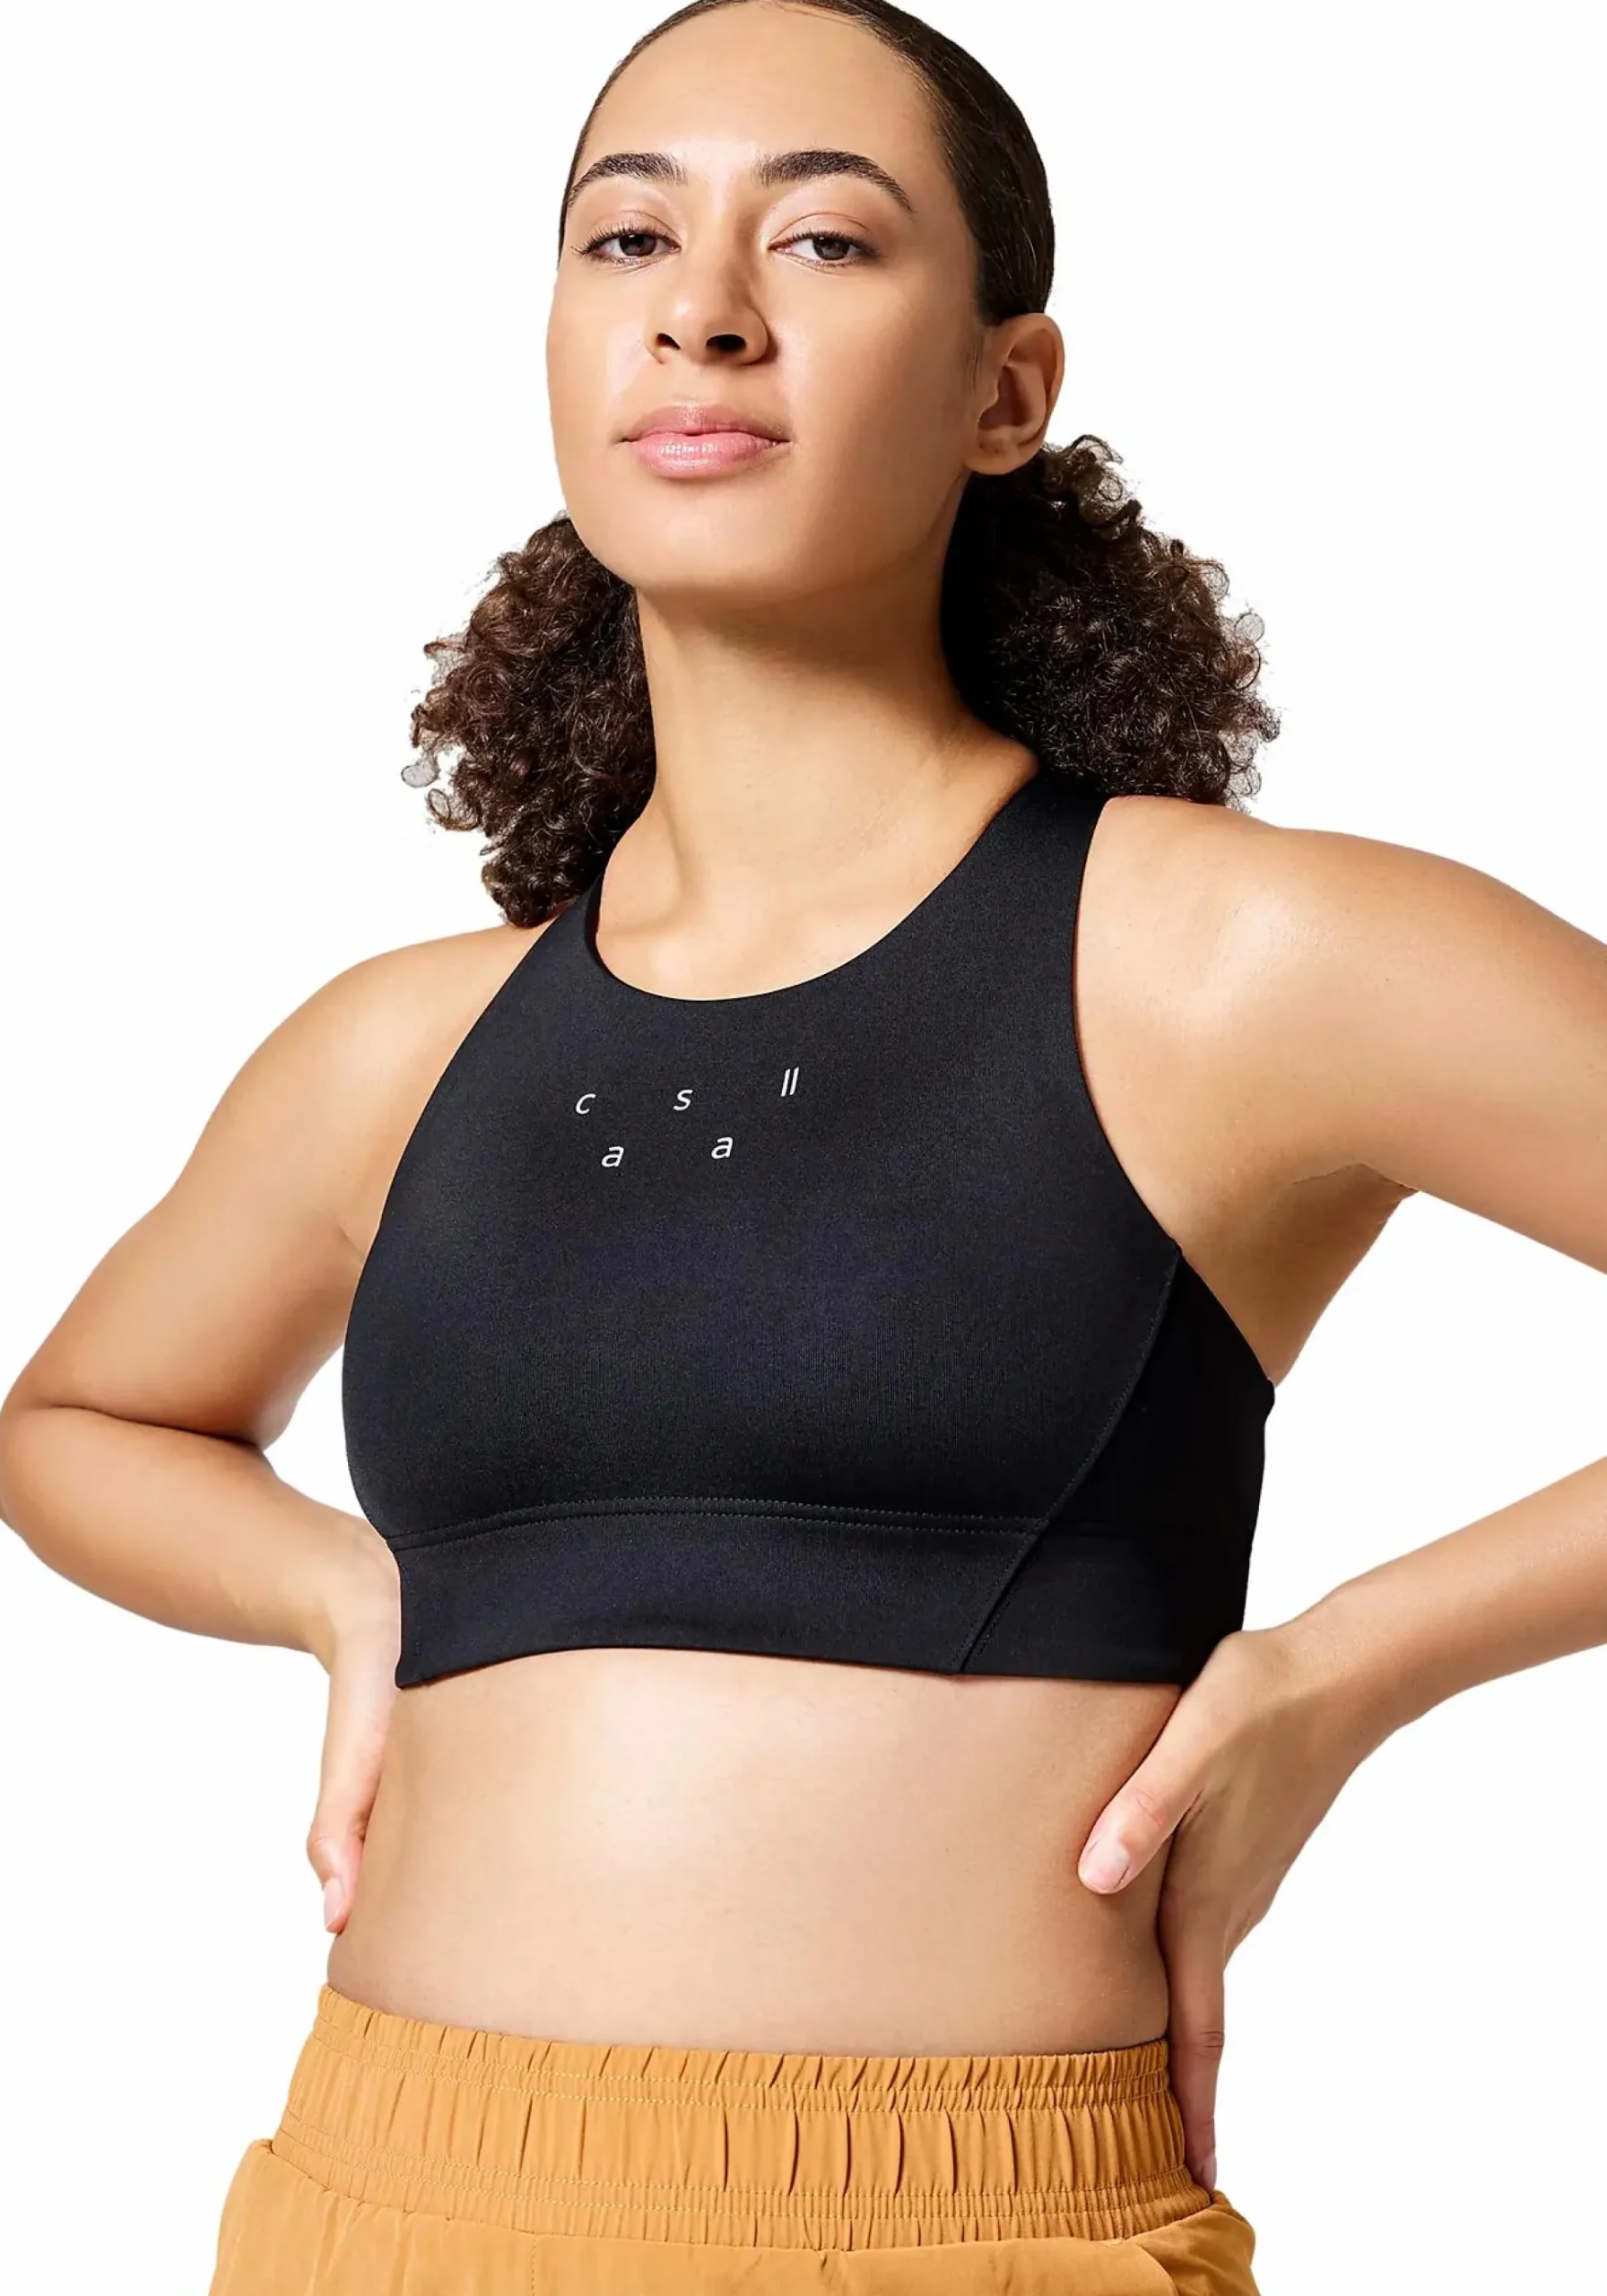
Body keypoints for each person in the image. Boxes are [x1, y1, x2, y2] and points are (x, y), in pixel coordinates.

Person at [4, 2, 1605, 2289]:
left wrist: (1346, 1668)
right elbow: (77, 1419)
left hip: (961, 2223)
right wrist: (338, 1588)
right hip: (371, 2202)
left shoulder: (1224, 957)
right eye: (625, 235)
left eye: (828, 240)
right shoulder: (401, 1043)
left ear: (1003, 391)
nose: (705, 307)